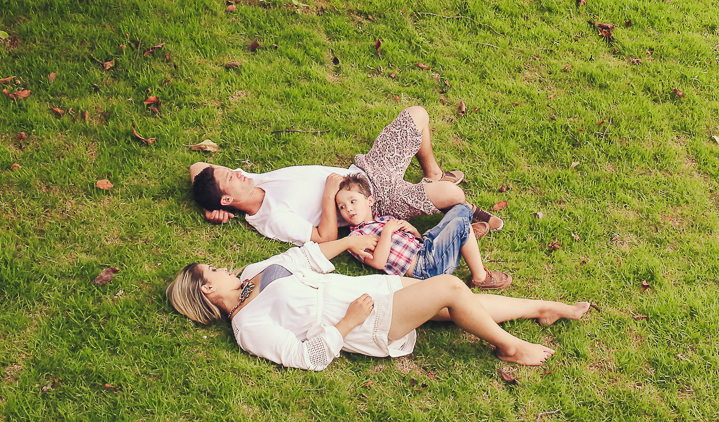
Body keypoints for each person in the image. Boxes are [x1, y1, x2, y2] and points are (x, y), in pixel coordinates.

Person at [166, 239, 590, 371]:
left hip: (367, 287)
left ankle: (542, 309)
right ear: (207, 289)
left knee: (456, 305)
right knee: (449, 288)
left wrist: (350, 240)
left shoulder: (252, 272)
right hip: (366, 321)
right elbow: (305, 358)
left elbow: (304, 258)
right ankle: (510, 347)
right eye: (213, 270)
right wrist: (348, 323)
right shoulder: (248, 327)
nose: (222, 267)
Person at [189, 106, 503, 245]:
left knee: (417, 115)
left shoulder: (252, 182)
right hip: (375, 200)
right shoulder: (272, 218)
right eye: (230, 178)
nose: (238, 173)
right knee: (454, 195)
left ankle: (433, 174)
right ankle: (458, 215)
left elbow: (196, 167)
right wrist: (329, 195)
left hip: (368, 169)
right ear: (228, 198)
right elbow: (324, 238)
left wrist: (209, 206)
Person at [335, 174, 511, 290]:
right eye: (342, 207)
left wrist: (413, 231)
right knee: (461, 220)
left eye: (352, 201)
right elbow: (378, 262)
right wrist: (387, 232)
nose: (348, 209)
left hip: (425, 247)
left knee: (461, 209)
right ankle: (479, 277)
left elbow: (414, 241)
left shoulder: (384, 219)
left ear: (370, 201)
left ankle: (462, 237)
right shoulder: (356, 237)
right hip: (426, 268)